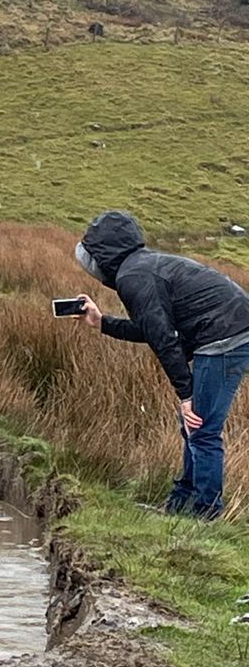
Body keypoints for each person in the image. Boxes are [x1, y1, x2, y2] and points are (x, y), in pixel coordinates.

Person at [75, 210, 249, 518]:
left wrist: (185, 396)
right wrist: (102, 323)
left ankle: (206, 515)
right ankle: (181, 503)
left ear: (101, 258)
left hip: (224, 337)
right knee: (194, 426)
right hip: (228, 329)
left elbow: (164, 341)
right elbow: (152, 329)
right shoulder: (143, 265)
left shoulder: (133, 277)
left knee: (202, 428)